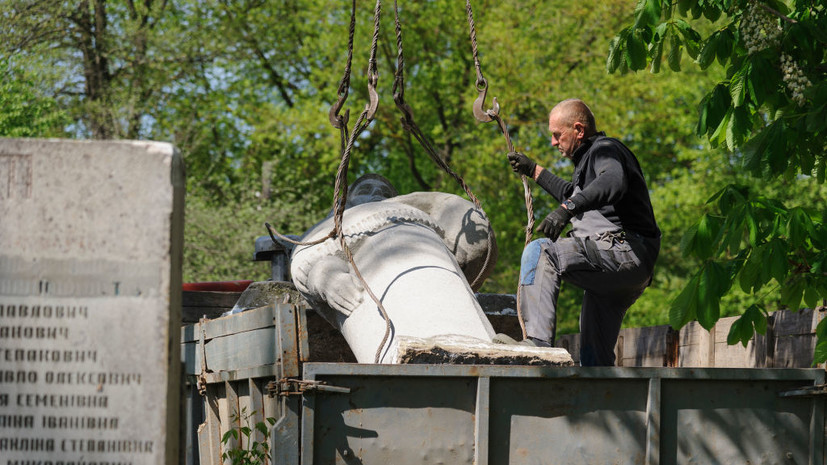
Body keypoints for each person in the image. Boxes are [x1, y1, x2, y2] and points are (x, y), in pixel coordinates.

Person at [496, 99, 660, 366]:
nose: (553, 142)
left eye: (557, 135)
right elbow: (575, 193)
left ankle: (537, 344)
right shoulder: (587, 166)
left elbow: (612, 182)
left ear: (579, 130)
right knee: (594, 362)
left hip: (622, 251)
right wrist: (533, 170)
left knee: (542, 252)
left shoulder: (606, 150)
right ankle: (602, 402)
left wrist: (565, 210)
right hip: (623, 275)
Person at [290, 174, 498, 363]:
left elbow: (475, 238)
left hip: (447, 293)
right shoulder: (335, 232)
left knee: (472, 340)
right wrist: (325, 276)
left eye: (384, 193)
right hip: (394, 328)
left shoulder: (418, 218)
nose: (376, 195)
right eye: (365, 191)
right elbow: (318, 259)